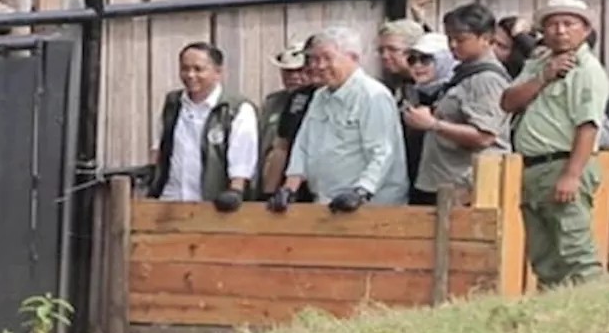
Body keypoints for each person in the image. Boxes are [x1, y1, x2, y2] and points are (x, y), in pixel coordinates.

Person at [499, 0, 609, 290]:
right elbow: (508, 102)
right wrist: (543, 78)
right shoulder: (538, 64)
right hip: (534, 166)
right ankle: (553, 316)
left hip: (563, 162)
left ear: (585, 30)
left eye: (568, 23)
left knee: (576, 250)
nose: (560, 31)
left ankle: (597, 310)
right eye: (552, 24)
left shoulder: (587, 71)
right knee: (543, 255)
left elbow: (588, 125)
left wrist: (572, 175)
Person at [267, 25, 411, 213]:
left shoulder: (373, 95)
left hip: (373, 207)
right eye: (314, 59)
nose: (319, 66)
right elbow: (303, 145)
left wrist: (361, 192)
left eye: (327, 58)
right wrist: (289, 188)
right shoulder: (320, 96)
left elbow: (382, 152)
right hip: (326, 202)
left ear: (353, 58)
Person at [402, 3, 511, 207]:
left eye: (461, 39)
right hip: (446, 183)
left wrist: (433, 124)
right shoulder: (462, 74)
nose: (453, 45)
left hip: (466, 187)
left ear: (486, 39)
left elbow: (485, 136)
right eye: (449, 38)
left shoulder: (486, 79)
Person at [147, 42, 259, 213]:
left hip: (212, 207)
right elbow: (159, 148)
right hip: (170, 202)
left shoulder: (237, 109)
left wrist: (234, 194)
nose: (190, 75)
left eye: (198, 69)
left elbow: (242, 163)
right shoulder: (173, 103)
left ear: (217, 72)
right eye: (185, 69)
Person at [398, 32, 456, 201]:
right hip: (416, 180)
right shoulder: (409, 94)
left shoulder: (454, 94)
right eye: (412, 60)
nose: (417, 66)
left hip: (447, 183)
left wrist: (432, 124)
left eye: (425, 59)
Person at [255, 39, 310, 198]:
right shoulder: (272, 103)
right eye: (288, 71)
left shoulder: (321, 102)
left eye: (300, 70)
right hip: (273, 181)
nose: (294, 76)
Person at [377, 19, 427, 102]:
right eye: (381, 50)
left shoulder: (432, 86)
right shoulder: (390, 85)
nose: (384, 56)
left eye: (393, 49)